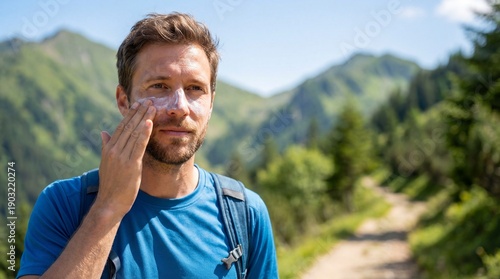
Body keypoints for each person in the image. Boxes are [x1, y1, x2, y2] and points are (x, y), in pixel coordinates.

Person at [17, 12, 278, 279]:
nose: (179, 107)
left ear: (211, 103)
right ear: (123, 100)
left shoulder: (246, 213)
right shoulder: (63, 204)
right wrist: (107, 208)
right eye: (159, 86)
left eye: (195, 88)